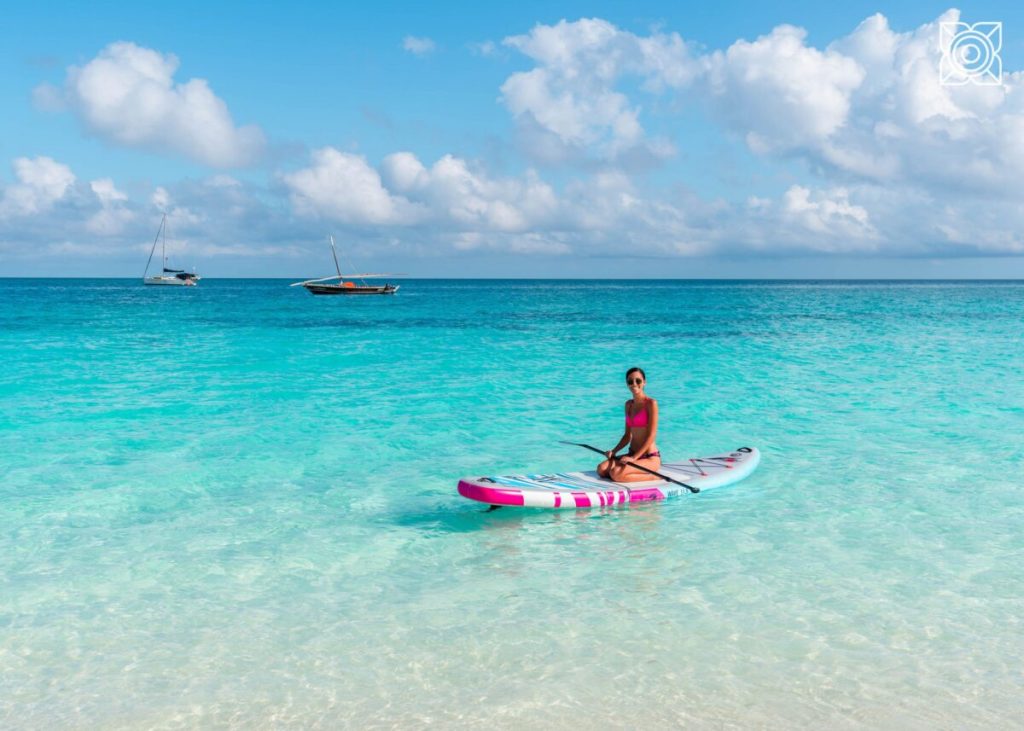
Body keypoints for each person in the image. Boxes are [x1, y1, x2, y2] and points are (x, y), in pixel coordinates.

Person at [597, 367, 662, 483]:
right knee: (601, 470)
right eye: (630, 381)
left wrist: (633, 458)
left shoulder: (651, 404)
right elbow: (627, 436)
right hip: (631, 454)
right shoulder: (628, 405)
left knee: (616, 473)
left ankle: (653, 477)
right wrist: (614, 451)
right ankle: (627, 475)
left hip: (649, 457)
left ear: (644, 382)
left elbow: (651, 436)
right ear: (627, 384)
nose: (634, 384)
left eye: (638, 381)